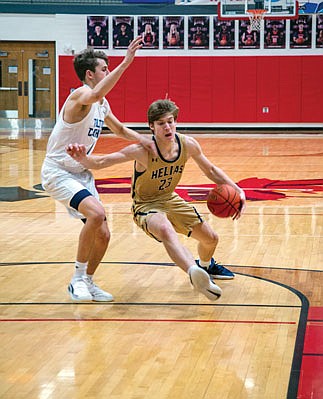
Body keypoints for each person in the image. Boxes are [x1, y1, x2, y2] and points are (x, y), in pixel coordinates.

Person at [66, 99, 246, 302]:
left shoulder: (187, 144)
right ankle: (194, 272)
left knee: (211, 238)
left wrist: (237, 190)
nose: (167, 127)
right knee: (166, 229)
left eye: (170, 121)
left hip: (170, 199)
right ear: (151, 127)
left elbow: (211, 170)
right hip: (146, 205)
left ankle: (205, 267)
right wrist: (82, 158)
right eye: (161, 123)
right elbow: (101, 162)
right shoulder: (142, 151)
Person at [41, 37, 156, 302]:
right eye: (104, 69)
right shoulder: (80, 95)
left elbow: (119, 129)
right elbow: (95, 94)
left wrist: (146, 140)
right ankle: (76, 281)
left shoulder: (102, 105)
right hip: (58, 171)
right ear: (90, 74)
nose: (108, 71)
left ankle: (88, 281)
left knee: (103, 233)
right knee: (96, 213)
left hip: (80, 172)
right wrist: (126, 63)